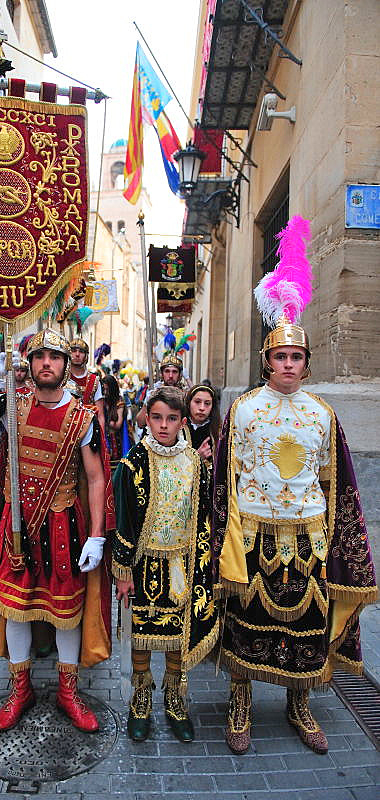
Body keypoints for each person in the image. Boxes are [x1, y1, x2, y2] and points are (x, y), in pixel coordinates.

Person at [212, 216, 378, 756]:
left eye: (296, 357)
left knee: (306, 630)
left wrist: (340, 545)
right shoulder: (241, 410)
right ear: (267, 362)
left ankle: (299, 703)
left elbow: (339, 484)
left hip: (307, 539)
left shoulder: (324, 414)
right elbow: (224, 480)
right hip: (254, 534)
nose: (288, 364)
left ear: (306, 365)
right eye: (280, 356)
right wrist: (223, 539)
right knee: (247, 623)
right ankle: (240, 702)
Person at [0, 328, 115, 733]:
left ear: (65, 365)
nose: (46, 364)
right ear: (29, 363)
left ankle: (67, 690)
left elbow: (95, 479)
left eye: (54, 357)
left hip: (64, 526)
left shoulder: (83, 416)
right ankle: (20, 689)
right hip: (16, 527)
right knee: (16, 609)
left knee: (65, 612)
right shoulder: (8, 405)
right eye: (38, 357)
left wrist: (96, 535)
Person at [113, 386, 218, 743]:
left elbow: (204, 516)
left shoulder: (196, 465)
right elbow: (124, 520)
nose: (163, 426)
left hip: (182, 564)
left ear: (182, 421)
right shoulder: (133, 464)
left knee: (177, 635)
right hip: (143, 565)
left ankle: (175, 699)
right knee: (142, 633)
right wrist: (123, 571)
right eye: (156, 418)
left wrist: (204, 564)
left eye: (171, 419)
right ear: (146, 418)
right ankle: (140, 700)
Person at [135, 354, 185, 429]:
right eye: (167, 371)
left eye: (174, 372)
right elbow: (140, 423)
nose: (170, 375)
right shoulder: (154, 391)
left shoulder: (184, 395)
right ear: (162, 374)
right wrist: (147, 402)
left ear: (180, 375)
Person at [69, 337, 105, 429]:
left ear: (86, 355)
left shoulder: (95, 380)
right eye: (73, 351)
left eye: (81, 351)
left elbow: (100, 415)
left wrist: (101, 438)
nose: (77, 354)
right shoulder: (61, 378)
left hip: (88, 429)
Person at [183, 383, 221, 468]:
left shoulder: (218, 432)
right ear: (189, 403)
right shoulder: (179, 429)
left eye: (207, 403)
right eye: (197, 402)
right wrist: (197, 457)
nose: (202, 408)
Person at [102, 374, 134, 473]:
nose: (105, 393)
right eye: (104, 390)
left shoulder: (119, 402)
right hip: (104, 441)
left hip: (117, 441)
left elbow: (118, 424)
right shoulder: (101, 401)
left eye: (108, 390)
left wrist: (104, 418)